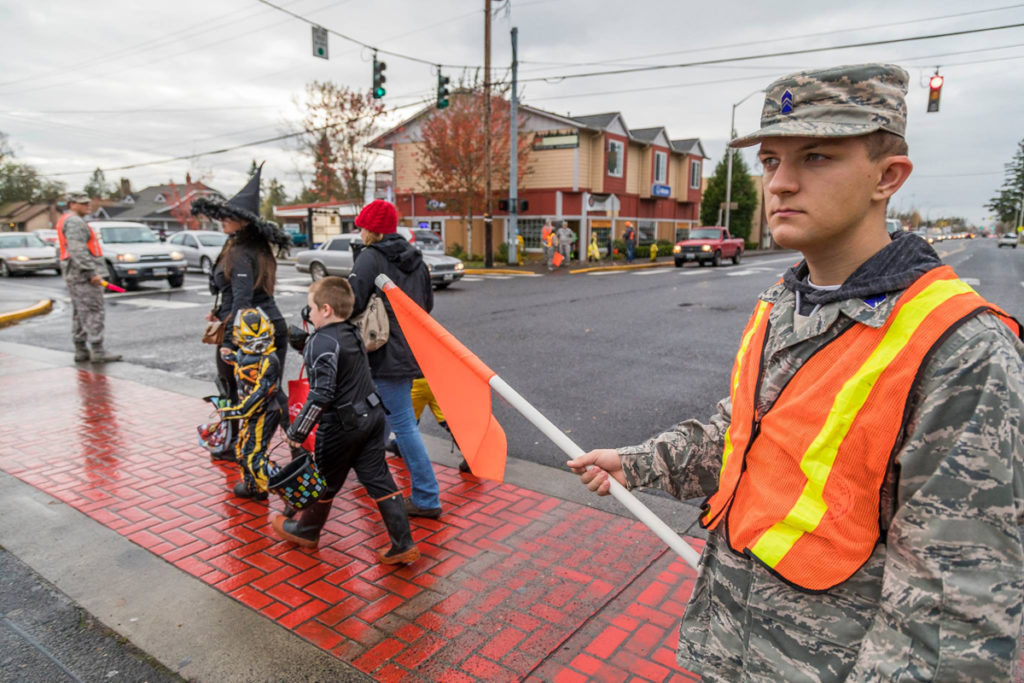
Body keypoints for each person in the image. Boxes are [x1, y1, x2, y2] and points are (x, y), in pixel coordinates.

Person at [568, 63, 1024, 681]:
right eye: (770, 161)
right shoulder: (785, 299)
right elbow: (747, 438)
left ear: (887, 178)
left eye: (815, 157)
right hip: (732, 649)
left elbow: (951, 622)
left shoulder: (963, 349)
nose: (779, 184)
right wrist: (639, 461)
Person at [274, 276, 420, 564]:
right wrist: (308, 346)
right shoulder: (352, 331)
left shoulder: (322, 341)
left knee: (325, 481)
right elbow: (342, 367)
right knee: (379, 479)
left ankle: (306, 530)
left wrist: (297, 432)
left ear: (326, 309)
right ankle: (403, 544)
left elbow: (322, 392)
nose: (309, 314)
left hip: (342, 425)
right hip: (373, 416)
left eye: (312, 309)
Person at [348, 200, 443, 519]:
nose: (359, 231)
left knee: (402, 424)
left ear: (371, 230)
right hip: (411, 348)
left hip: (382, 350)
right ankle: (371, 474)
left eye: (361, 226)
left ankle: (427, 498)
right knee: (382, 417)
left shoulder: (370, 258)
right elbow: (426, 305)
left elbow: (352, 302)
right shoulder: (416, 260)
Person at [191, 164, 292, 456]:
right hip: (259, 326)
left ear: (244, 223)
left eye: (229, 217)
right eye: (222, 215)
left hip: (252, 331)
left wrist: (228, 342)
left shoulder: (242, 252)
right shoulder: (245, 247)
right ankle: (288, 443)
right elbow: (235, 295)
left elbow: (244, 302)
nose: (223, 220)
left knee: (244, 390)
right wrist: (220, 311)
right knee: (263, 390)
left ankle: (244, 444)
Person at [216, 308, 281, 500]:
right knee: (243, 451)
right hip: (250, 412)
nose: (257, 344)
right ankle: (255, 488)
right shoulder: (244, 354)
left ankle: (287, 489)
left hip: (265, 412)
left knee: (255, 457)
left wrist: (233, 412)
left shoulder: (270, 360)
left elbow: (261, 394)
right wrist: (232, 358)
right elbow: (243, 361)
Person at [56, 193, 121, 363]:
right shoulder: (75, 222)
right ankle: (98, 352)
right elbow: (77, 250)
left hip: (75, 275)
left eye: (88, 202)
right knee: (93, 312)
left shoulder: (66, 220)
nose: (88, 205)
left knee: (80, 313)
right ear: (72, 204)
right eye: (83, 203)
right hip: (83, 276)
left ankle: (81, 350)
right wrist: (91, 272)